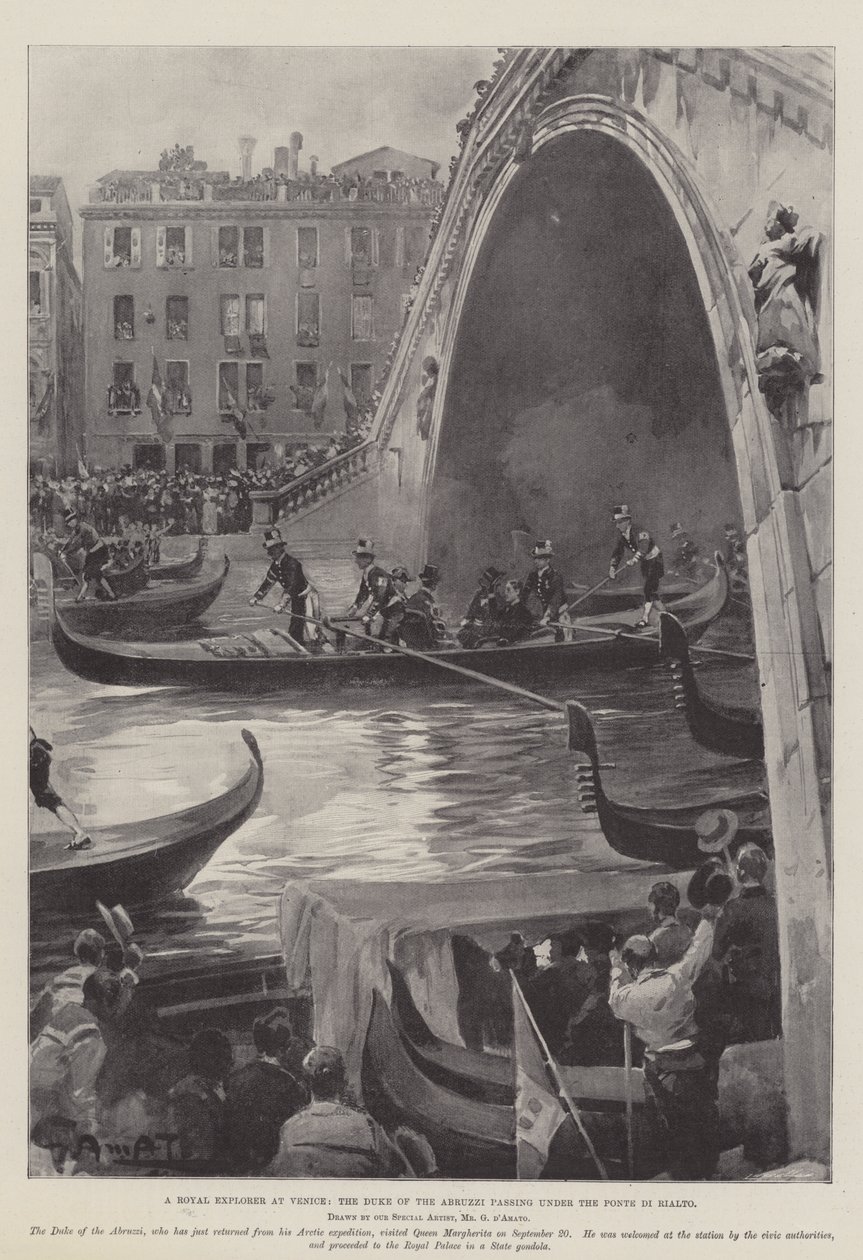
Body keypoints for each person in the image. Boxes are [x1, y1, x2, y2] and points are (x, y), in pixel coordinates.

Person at [608, 904, 723, 1180]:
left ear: (632, 965)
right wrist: (708, 919)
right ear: (654, 956)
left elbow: (614, 996)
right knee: (702, 1120)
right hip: (694, 1062)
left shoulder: (627, 998)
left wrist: (615, 969)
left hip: (660, 1069)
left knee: (672, 1127)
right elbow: (699, 950)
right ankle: (706, 1171)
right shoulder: (677, 978)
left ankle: (684, 1176)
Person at [266, 1046, 410, 1178]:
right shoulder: (367, 1125)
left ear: (305, 1083)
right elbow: (395, 1172)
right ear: (343, 1081)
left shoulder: (290, 1128)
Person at [30, 969, 122, 1136]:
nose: (117, 1006)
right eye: (113, 1000)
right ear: (99, 1001)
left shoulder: (69, 1011)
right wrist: (92, 1125)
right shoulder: (91, 1038)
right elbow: (79, 1094)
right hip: (41, 1106)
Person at [224, 1008, 309, 1171]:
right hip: (277, 1166)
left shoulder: (234, 1079)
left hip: (241, 1166)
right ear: (284, 1047)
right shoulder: (288, 1083)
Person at [712, 843, 781, 1043]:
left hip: (745, 990)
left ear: (740, 872)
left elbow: (717, 953)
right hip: (775, 985)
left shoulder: (732, 909)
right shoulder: (775, 905)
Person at [168, 1028, 234, 1166]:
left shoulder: (210, 1086)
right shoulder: (190, 1094)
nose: (230, 1063)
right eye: (225, 1057)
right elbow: (200, 1149)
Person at [30, 928, 106, 1037]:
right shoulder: (101, 978)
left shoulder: (60, 977)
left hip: (53, 1032)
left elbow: (36, 1017)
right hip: (82, 1034)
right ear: (101, 954)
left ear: (78, 954)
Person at [29, 729, 92, 850]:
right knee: (50, 798)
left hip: (33, 754)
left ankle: (80, 834)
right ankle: (80, 834)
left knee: (49, 799)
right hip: (37, 752)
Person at [249, 528, 314, 644]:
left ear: (279, 548)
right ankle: (298, 646)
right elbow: (267, 583)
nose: (269, 553)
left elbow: (292, 586)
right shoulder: (275, 565)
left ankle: (315, 647)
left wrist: (281, 604)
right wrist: (256, 597)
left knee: (311, 628)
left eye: (272, 549)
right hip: (295, 597)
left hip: (307, 596)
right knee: (296, 626)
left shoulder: (292, 564)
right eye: (269, 550)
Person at [608, 504, 664, 629]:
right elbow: (618, 552)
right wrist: (612, 568)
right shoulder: (622, 536)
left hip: (655, 560)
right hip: (645, 562)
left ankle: (644, 619)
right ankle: (665, 614)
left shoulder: (640, 531)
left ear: (627, 521)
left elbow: (643, 547)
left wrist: (634, 559)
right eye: (616, 522)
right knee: (652, 592)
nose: (617, 525)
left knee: (648, 589)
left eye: (619, 522)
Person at [59, 509, 116, 603]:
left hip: (99, 551)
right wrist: (63, 549)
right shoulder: (77, 529)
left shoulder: (82, 528)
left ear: (74, 520)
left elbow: (77, 544)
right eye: (68, 523)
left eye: (69, 522)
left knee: (87, 576)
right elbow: (70, 540)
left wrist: (66, 552)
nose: (69, 525)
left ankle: (80, 597)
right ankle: (111, 594)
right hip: (93, 553)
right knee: (95, 576)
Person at [345, 539, 397, 639]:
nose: (356, 561)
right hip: (382, 610)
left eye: (358, 558)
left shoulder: (380, 574)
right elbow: (363, 593)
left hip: (392, 612)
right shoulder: (367, 574)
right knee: (369, 629)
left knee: (383, 638)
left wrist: (369, 615)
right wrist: (355, 607)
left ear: (367, 559)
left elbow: (380, 597)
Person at [522, 540, 568, 642]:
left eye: (539, 558)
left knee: (559, 635)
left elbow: (556, 599)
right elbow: (525, 595)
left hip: (556, 614)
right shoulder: (532, 575)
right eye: (535, 558)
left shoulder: (555, 576)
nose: (536, 561)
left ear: (547, 560)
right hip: (538, 615)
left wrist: (547, 616)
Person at [457, 565, 505, 648]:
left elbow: (496, 615)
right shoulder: (478, 595)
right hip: (477, 627)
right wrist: (467, 621)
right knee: (463, 635)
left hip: (491, 629)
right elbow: (471, 612)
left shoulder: (498, 596)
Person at [647, 881, 692, 966]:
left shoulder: (655, 938)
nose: (649, 908)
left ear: (655, 907)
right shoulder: (687, 931)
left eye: (650, 904)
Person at [403, 564, 445, 650]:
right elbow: (411, 620)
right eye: (435, 583)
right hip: (419, 643)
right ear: (434, 584)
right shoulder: (419, 598)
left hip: (426, 640)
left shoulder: (426, 598)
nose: (435, 585)